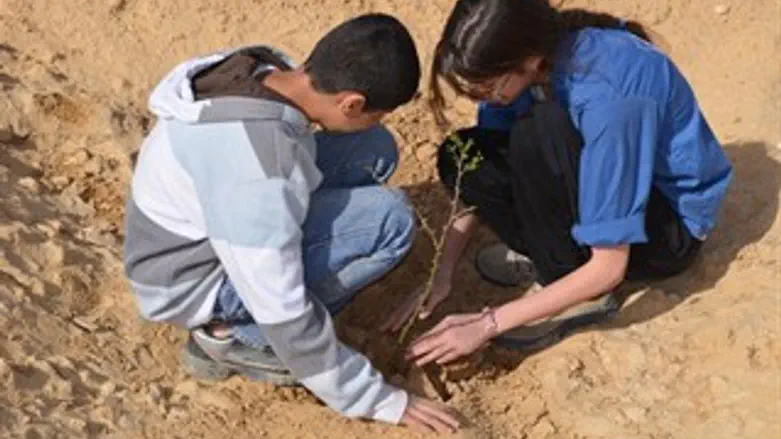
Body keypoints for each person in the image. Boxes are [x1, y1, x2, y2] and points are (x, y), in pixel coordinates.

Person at [124, 13, 460, 433]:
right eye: (375, 113)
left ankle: (249, 303)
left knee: (371, 148)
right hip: (192, 283)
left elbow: (266, 179)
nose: (379, 121)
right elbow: (280, 304)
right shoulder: (259, 175)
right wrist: (375, 398)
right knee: (390, 221)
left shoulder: (260, 70)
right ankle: (228, 337)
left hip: (210, 225)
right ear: (351, 102)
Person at [382, 0, 733, 366]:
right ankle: (552, 255)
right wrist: (443, 271)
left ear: (529, 61)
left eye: (485, 88)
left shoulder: (609, 95)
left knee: (541, 131)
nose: (480, 98)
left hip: (665, 229)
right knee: (463, 154)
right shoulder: (532, 66)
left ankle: (572, 284)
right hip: (593, 181)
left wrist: (487, 324)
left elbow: (609, 265)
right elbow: (491, 166)